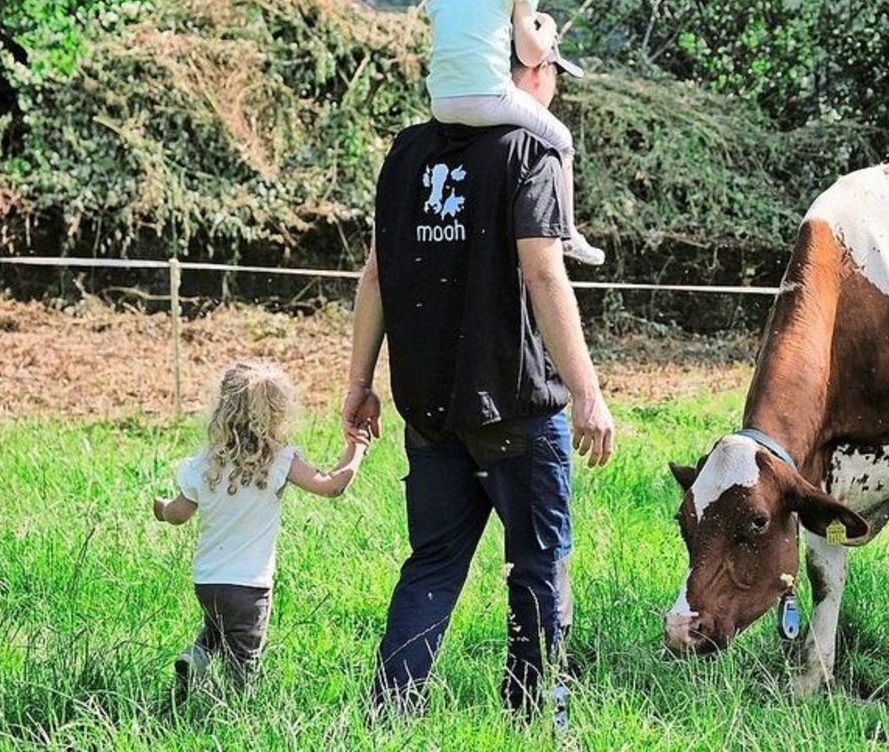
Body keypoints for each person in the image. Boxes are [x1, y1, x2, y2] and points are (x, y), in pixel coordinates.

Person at [341, 39, 615, 720]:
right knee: (539, 567)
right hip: (519, 408)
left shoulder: (406, 154)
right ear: (528, 69)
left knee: (432, 564)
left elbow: (375, 273)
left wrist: (359, 381)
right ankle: (535, 721)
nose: (552, 85)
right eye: (550, 70)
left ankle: (389, 717)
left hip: (430, 409)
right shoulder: (531, 151)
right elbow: (545, 272)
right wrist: (586, 392)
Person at [152, 360, 368, 692]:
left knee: (219, 626)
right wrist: (357, 449)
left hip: (207, 582)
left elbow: (178, 514)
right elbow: (331, 485)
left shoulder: (205, 464)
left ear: (222, 408)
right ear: (278, 413)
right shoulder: (280, 460)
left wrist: (162, 508)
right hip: (250, 588)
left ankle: (197, 655)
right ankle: (239, 710)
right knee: (245, 663)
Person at [422, 0, 606, 267]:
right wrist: (548, 26)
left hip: (441, 104)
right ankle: (567, 232)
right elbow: (531, 53)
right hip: (490, 97)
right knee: (562, 142)